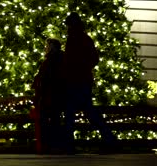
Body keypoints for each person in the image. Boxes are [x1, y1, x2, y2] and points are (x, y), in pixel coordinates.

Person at [62, 12, 117, 154]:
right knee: (88, 113)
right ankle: (109, 139)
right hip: (81, 81)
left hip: (76, 82)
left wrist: (77, 68)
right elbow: (93, 59)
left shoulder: (75, 39)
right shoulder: (83, 39)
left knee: (72, 114)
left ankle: (69, 145)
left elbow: (73, 61)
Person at [32, 37, 65, 154]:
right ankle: (53, 146)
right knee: (53, 121)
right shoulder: (56, 59)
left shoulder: (53, 60)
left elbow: (47, 78)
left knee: (48, 121)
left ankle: (50, 146)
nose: (45, 48)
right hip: (52, 95)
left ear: (52, 47)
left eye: (47, 45)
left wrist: (39, 84)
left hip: (50, 96)